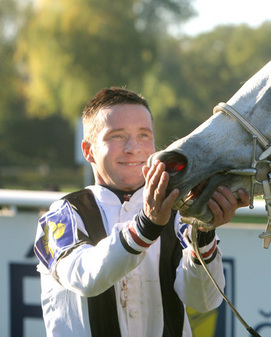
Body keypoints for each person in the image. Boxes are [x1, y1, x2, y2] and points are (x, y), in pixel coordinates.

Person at [33, 87, 250, 337]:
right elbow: (87, 278)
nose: (133, 148)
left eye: (144, 135)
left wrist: (204, 232)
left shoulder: (181, 212)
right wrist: (146, 226)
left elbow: (204, 300)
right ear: (88, 150)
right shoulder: (60, 214)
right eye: (116, 136)